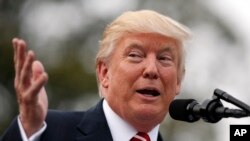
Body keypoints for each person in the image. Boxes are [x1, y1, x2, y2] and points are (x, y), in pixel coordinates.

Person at [0, 10, 191, 141]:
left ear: (178, 81)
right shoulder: (49, 132)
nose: (151, 69)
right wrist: (27, 126)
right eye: (135, 55)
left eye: (164, 58)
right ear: (104, 73)